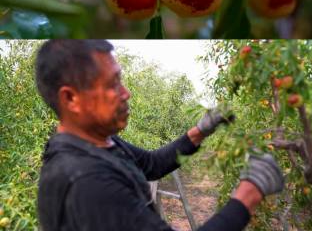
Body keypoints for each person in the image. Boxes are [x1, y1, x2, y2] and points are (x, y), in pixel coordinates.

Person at [34, 40, 284, 231]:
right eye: (112, 84)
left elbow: (151, 165)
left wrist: (199, 132)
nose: (126, 93)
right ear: (71, 99)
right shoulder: (87, 183)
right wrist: (249, 193)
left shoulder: (97, 143)